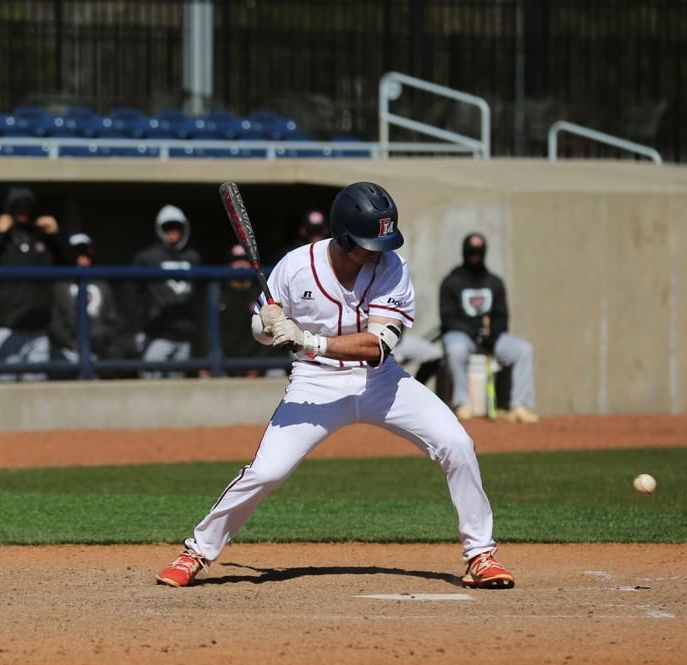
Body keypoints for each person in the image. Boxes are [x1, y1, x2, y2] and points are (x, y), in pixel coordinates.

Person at [155, 182, 514, 591]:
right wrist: (267, 325)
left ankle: (481, 554)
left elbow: (378, 346)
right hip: (315, 383)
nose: (378, 250)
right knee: (267, 471)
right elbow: (261, 327)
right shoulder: (295, 266)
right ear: (343, 237)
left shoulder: (392, 268)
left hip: (380, 381)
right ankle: (197, 551)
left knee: (457, 444)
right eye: (368, 243)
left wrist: (309, 340)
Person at [0, 185, 69, 381]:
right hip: (6, 326)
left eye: (27, 208)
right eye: (17, 208)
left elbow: (71, 265)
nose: (23, 213)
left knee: (37, 389)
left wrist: (56, 236)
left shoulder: (43, 239)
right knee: (6, 387)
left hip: (37, 327)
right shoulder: (1, 239)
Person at [439, 233, 539, 423]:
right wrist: (474, 332)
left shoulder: (494, 282)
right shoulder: (451, 281)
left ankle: (520, 406)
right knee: (455, 349)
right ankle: (462, 403)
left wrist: (491, 335)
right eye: (471, 252)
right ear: (464, 253)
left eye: (478, 252)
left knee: (524, 350)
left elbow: (502, 316)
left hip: (491, 338)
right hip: (462, 336)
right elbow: (447, 318)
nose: (475, 256)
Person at [132, 204, 202, 378]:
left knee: (177, 388)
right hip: (157, 334)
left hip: (185, 334)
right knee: (149, 382)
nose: (173, 231)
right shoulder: (146, 258)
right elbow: (133, 294)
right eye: (167, 227)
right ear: (159, 229)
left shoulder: (193, 257)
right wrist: (139, 326)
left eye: (177, 227)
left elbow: (200, 295)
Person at [50, 233, 123, 368]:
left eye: (86, 254)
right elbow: (55, 323)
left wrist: (100, 341)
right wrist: (73, 344)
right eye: (78, 254)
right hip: (70, 350)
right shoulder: (61, 286)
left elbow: (113, 320)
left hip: (102, 350)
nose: (83, 259)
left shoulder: (102, 284)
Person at [218, 244, 270, 377]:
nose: (240, 264)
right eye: (236, 261)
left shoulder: (261, 295)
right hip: (222, 367)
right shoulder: (218, 295)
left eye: (245, 260)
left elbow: (268, 336)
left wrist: (256, 369)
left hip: (255, 369)